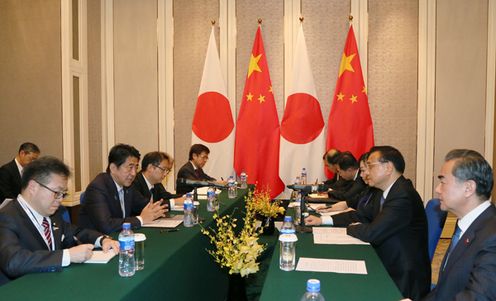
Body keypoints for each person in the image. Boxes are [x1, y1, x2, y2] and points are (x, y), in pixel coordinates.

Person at [306, 146, 431, 300]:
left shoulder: (402, 195)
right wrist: (323, 220)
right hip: (385, 260)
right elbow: (362, 216)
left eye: (370, 166)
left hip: (402, 275)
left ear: (388, 168)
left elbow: (372, 232)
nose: (365, 172)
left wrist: (352, 229)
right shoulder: (384, 191)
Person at [0, 156, 119, 285]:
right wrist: (67, 256)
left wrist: (102, 240)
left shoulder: (53, 213)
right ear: (33, 187)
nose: (60, 199)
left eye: (63, 194)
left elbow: (76, 232)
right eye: (56, 193)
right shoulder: (6, 217)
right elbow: (13, 262)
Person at [419, 149, 496, 301]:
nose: (437, 189)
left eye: (443, 182)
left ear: (468, 188)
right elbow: (445, 289)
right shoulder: (467, 224)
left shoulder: (492, 236)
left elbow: (478, 298)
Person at [78, 144, 167, 234]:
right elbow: (107, 226)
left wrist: (156, 210)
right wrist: (141, 219)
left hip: (120, 237)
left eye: (136, 168)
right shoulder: (98, 188)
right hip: (95, 243)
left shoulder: (128, 186)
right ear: (113, 168)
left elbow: (145, 205)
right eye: (130, 167)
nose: (133, 173)